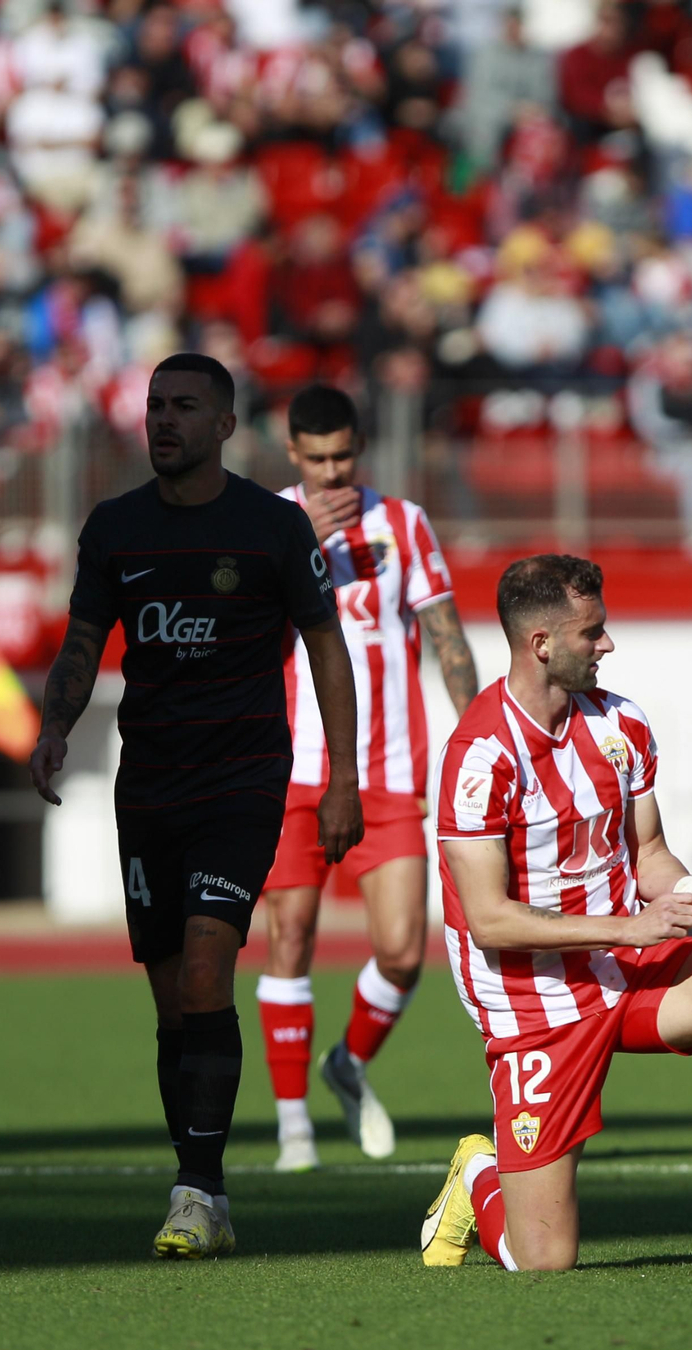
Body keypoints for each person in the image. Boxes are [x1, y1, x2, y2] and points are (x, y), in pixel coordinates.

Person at [28, 354, 362, 1260]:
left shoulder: (270, 529)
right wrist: (55, 726)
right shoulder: (116, 529)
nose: (163, 419)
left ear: (224, 425)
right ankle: (201, 1181)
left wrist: (341, 777)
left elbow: (328, 648)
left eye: (183, 406)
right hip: (151, 790)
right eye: (153, 406)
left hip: (244, 783)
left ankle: (196, 1189)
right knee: (175, 1002)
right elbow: (84, 641)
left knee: (212, 972)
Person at [420, 555, 692, 1275]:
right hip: (533, 1000)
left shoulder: (620, 724)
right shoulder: (478, 756)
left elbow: (649, 854)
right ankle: (478, 1177)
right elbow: (488, 920)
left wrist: (688, 892)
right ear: (542, 643)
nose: (608, 645)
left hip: (623, 963)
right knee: (544, 1264)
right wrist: (628, 926)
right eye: (591, 632)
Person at [255, 385, 479, 1173]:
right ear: (292, 454)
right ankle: (292, 1130)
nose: (331, 470)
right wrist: (297, 548)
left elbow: (447, 636)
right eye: (315, 458)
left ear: (360, 448)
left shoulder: (404, 524)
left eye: (343, 455)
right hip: (291, 772)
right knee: (290, 939)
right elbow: (243, 633)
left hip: (388, 772)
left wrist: (482, 732)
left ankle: (346, 1063)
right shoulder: (265, 522)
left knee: (403, 951)